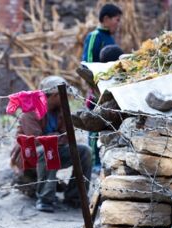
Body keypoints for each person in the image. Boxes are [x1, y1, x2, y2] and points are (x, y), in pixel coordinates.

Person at [10, 76, 92, 213]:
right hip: (30, 157)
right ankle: (45, 199)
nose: (68, 98)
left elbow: (68, 137)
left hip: (54, 150)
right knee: (48, 149)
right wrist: (55, 137)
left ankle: (75, 197)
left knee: (85, 151)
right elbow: (34, 141)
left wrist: (52, 138)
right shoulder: (30, 112)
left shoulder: (61, 110)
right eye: (64, 95)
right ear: (55, 95)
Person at [82, 4, 122, 173]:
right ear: (106, 19)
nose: (118, 24)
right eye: (116, 20)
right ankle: (93, 161)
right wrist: (94, 89)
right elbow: (88, 65)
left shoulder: (110, 39)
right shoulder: (94, 37)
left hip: (109, 89)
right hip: (97, 91)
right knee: (94, 125)